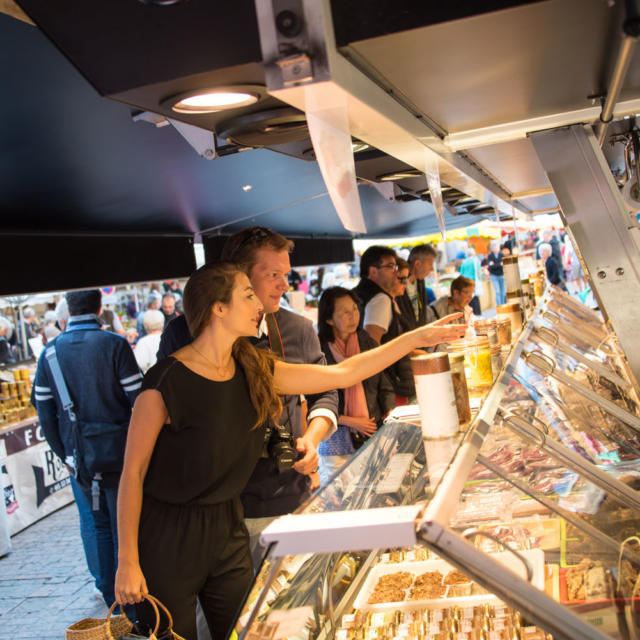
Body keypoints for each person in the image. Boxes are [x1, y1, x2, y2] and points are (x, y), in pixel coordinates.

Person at [114, 261, 465, 639]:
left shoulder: (252, 367)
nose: (260, 306)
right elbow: (132, 474)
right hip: (169, 538)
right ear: (218, 308)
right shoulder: (164, 383)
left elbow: (341, 374)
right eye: (248, 295)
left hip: (229, 528)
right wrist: (127, 561)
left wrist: (413, 339)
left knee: (244, 631)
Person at [157, 226, 339, 561]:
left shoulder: (296, 329)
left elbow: (327, 391)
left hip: (283, 495)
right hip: (211, 510)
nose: (285, 284)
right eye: (272, 274)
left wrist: (312, 439)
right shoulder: (183, 333)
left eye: (286, 274)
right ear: (237, 276)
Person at [34, 290, 142, 607]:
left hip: (79, 459)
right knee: (127, 521)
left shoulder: (50, 353)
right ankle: (133, 595)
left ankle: (109, 595)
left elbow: (44, 411)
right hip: (121, 455)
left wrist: (64, 453)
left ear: (67, 310)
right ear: (99, 307)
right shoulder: (115, 345)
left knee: (96, 526)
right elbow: (141, 400)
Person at [316, 287, 395, 486]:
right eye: (345, 312)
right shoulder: (318, 349)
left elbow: (383, 382)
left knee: (376, 489)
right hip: (336, 438)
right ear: (329, 319)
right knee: (342, 496)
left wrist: (391, 412)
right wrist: (350, 421)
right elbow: (315, 401)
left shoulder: (365, 341)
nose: (353, 316)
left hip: (371, 429)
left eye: (355, 309)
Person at [353, 246, 415, 399]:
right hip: (385, 384)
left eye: (395, 266)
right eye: (390, 266)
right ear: (373, 271)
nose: (395, 271)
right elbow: (373, 346)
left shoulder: (356, 293)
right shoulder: (380, 299)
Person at [400, 244, 437, 330]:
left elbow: (420, 309)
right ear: (417, 264)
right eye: (430, 264)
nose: (431, 269)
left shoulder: (420, 280)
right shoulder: (399, 281)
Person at [459, 248, 482, 316]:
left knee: (468, 298)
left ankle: (471, 313)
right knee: (475, 297)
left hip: (465, 282)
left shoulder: (464, 262)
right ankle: (477, 312)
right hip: (473, 281)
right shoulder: (476, 261)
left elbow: (461, 273)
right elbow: (479, 272)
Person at [485, 240, 506, 306]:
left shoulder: (502, 254)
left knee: (503, 292)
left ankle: (504, 305)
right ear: (492, 248)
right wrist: (499, 264)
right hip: (494, 276)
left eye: (497, 247)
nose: (497, 248)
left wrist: (495, 265)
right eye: (495, 247)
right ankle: (499, 306)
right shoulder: (490, 256)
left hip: (502, 275)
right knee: (497, 292)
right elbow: (491, 267)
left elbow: (503, 265)